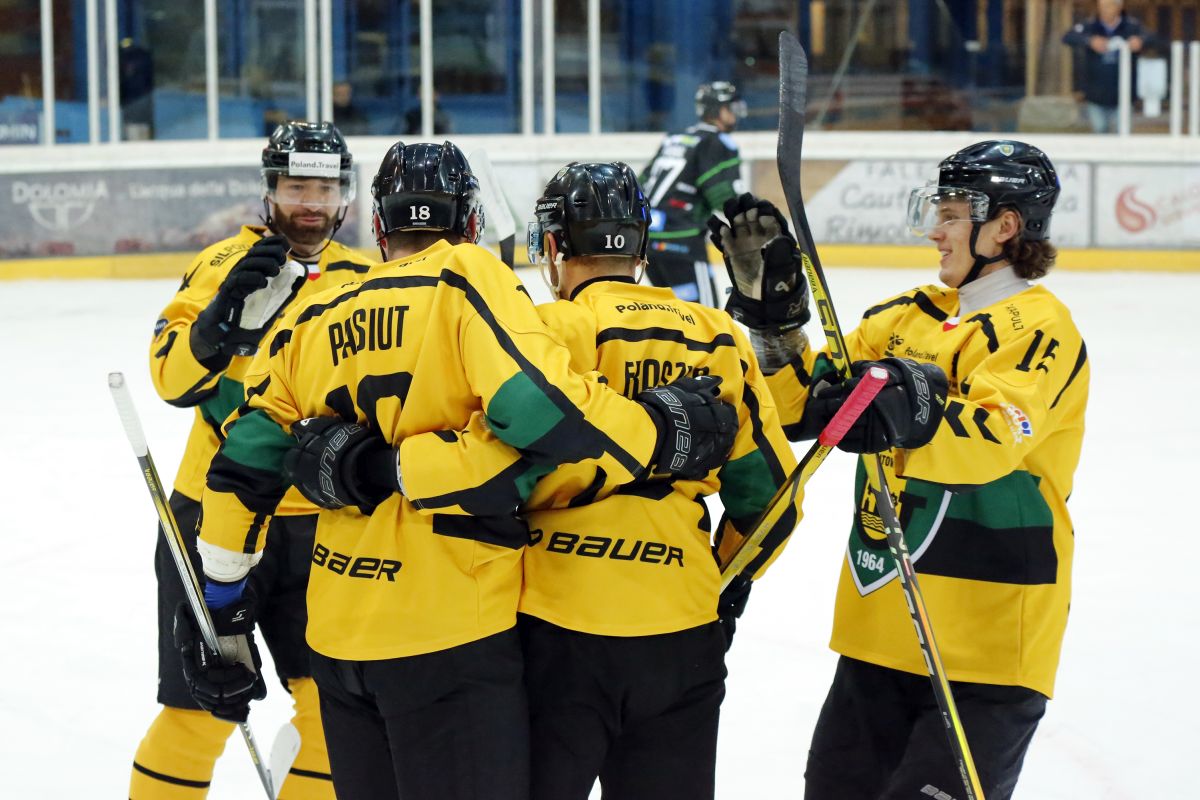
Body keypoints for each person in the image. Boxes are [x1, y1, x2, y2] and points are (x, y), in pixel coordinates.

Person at [184, 141, 739, 800]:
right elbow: (540, 415)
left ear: (380, 228)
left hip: (338, 639)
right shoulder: (467, 276)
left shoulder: (315, 310)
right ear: (472, 223)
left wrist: (221, 608)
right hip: (450, 636)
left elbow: (241, 468)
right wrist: (661, 431)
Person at [713, 141, 1088, 800]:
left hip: (988, 646)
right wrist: (777, 331)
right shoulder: (903, 315)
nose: (934, 231)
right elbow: (799, 406)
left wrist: (900, 405)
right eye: (934, 212)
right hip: (881, 630)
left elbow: (992, 438)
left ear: (1005, 227)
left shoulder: (1042, 330)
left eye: (951, 214)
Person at [132, 120, 373, 800]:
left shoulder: (371, 279)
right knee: (197, 716)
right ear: (270, 189)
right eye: (297, 185)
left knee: (333, 715)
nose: (311, 203)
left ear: (345, 196)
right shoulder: (220, 268)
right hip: (211, 517)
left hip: (328, 526)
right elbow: (172, 384)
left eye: (326, 188)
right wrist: (216, 325)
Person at [640, 81, 746, 308]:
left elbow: (640, 183)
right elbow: (720, 195)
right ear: (716, 111)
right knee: (705, 316)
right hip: (682, 242)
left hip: (648, 244)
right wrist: (748, 223)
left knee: (674, 314)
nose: (735, 115)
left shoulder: (674, 137)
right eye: (730, 109)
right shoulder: (717, 142)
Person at [1062, 0, 1159, 134]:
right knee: (1099, 129)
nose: (1105, 10)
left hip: (1124, 93)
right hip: (1095, 92)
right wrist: (1090, 41)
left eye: (1108, 6)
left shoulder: (1130, 26)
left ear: (1118, 7)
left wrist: (1140, 41)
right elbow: (1068, 37)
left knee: (1123, 131)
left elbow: (1152, 37)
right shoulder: (1091, 25)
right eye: (1102, 6)